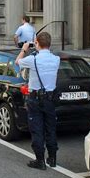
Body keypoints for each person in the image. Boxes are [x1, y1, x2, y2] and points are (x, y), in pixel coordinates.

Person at [15, 31, 60, 170]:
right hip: (51, 99)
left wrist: (24, 49)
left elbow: (17, 62)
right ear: (50, 44)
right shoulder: (56, 59)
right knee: (50, 129)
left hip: (35, 99)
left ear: (37, 43)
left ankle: (40, 160)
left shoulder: (33, 59)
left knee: (37, 130)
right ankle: (52, 158)